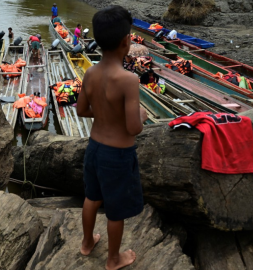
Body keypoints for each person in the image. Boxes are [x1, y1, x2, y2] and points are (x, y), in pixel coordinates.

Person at [76, 6, 148, 270]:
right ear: (125, 41)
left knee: (91, 197)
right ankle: (113, 259)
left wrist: (105, 115)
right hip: (118, 155)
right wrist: (140, 115)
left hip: (94, 148)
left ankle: (86, 243)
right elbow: (132, 128)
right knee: (115, 210)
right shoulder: (128, 80)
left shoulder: (90, 73)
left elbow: (82, 110)